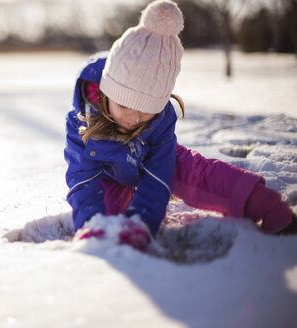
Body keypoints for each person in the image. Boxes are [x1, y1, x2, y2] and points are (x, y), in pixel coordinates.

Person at [64, 0, 296, 250]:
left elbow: (158, 178)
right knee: (106, 212)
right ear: (107, 94)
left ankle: (264, 202)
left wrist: (142, 222)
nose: (134, 118)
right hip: (108, 175)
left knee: (195, 172)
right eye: (124, 107)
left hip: (149, 159)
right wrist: (89, 222)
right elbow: (82, 179)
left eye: (146, 111)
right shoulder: (83, 118)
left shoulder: (161, 119)